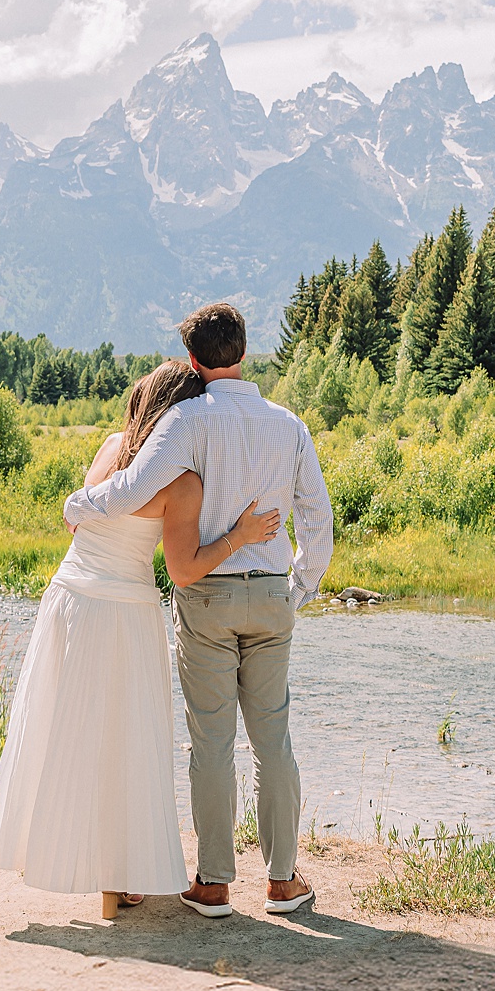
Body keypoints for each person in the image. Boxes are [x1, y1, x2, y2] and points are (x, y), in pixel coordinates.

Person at [0, 360, 282, 914]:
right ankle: (119, 876)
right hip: (125, 610)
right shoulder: (182, 481)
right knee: (126, 742)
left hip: (70, 596)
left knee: (63, 731)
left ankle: (65, 859)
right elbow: (185, 570)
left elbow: (79, 520)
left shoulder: (112, 448)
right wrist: (238, 536)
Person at [64, 302, 334, 918]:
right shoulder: (288, 424)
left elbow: (132, 490)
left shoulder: (186, 418)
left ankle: (213, 884)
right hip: (269, 593)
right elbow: (318, 524)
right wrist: (295, 588)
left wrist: (79, 505)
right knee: (274, 740)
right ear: (246, 351)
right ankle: (283, 881)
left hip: (206, 593)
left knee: (211, 742)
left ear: (193, 360)